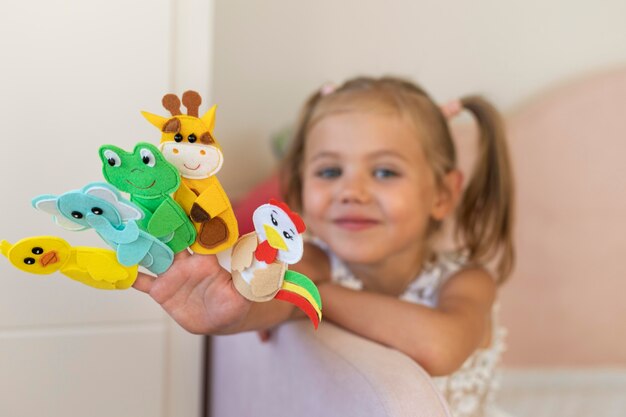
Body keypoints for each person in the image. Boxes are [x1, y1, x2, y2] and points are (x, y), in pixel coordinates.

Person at [133, 76, 515, 417]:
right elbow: (268, 301)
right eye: (329, 171)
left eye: (384, 172)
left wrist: (317, 296)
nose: (351, 191)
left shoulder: (466, 281)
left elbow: (439, 347)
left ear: (444, 194)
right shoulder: (314, 259)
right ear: (300, 190)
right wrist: (227, 315)